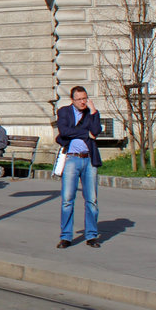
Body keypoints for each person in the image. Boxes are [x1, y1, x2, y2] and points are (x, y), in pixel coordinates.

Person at [55, 85, 101, 248]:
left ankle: (91, 235)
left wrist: (94, 112)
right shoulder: (64, 112)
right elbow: (64, 131)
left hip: (89, 160)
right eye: (80, 99)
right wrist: (84, 133)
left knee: (92, 200)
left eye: (85, 98)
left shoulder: (91, 113)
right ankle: (66, 236)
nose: (83, 102)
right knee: (67, 199)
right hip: (72, 160)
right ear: (72, 100)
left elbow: (96, 131)